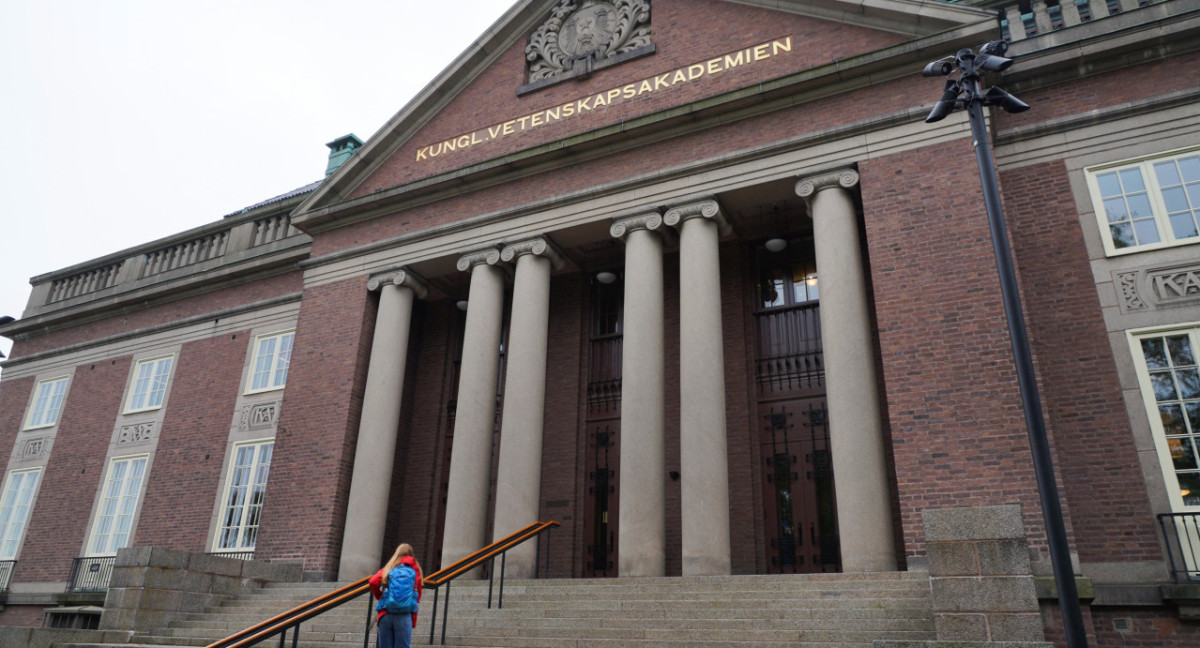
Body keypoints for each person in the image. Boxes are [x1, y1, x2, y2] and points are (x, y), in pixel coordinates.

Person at [368, 543, 423, 648]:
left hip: (386, 613)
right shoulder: (415, 571)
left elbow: (373, 582)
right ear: (411, 554)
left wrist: (380, 596)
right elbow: (417, 595)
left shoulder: (389, 569)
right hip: (405, 614)